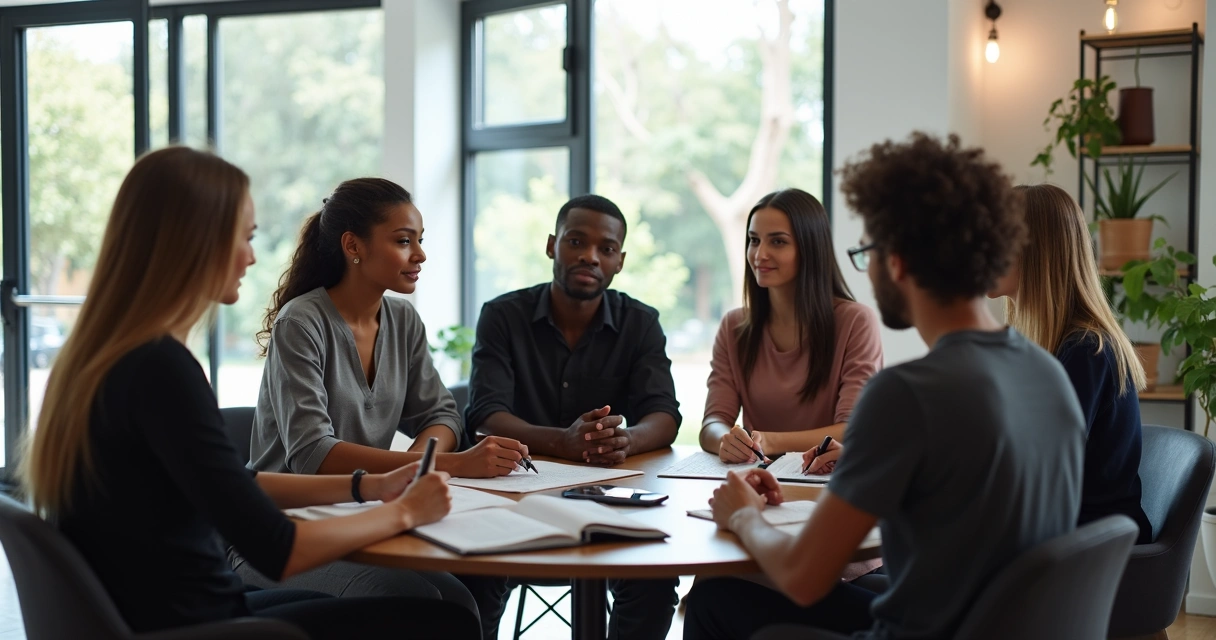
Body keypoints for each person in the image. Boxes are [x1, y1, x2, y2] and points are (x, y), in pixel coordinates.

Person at [18, 147, 478, 639]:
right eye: (245, 236)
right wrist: (404, 510)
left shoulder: (105, 357)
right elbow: (277, 547)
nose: (252, 256)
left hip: (170, 609)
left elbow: (237, 484)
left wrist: (368, 485)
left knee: (446, 599)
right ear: (195, 241)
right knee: (441, 619)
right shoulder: (161, 369)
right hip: (201, 624)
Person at [683, 132, 1087, 640]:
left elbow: (802, 577)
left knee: (718, 597)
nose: (866, 268)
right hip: (995, 623)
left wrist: (744, 518)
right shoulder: (1043, 370)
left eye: (866, 251)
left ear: (896, 260)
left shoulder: (908, 393)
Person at [242, 177, 524, 609]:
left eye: (420, 240)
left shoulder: (403, 320)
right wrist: (447, 464)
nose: (420, 254)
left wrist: (420, 465)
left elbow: (443, 415)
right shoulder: (301, 323)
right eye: (403, 241)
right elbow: (312, 454)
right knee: (417, 601)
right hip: (279, 534)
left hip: (363, 515)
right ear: (353, 246)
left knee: (468, 592)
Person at [465, 194, 682, 640]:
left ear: (619, 261)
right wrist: (561, 442)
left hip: (614, 499)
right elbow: (486, 415)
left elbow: (664, 414)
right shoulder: (502, 316)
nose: (590, 256)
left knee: (655, 582)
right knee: (474, 577)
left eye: (606, 248)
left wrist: (628, 440)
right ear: (552, 245)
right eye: (577, 241)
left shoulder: (640, 323)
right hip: (516, 497)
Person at [990, 183, 1153, 544]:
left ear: (1033, 251)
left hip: (1089, 555)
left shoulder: (1086, 352)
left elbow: (1038, 472)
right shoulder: (1035, 346)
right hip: (1057, 541)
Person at [700, 188, 882, 464]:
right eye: (753, 240)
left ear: (809, 248)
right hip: (755, 478)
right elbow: (713, 422)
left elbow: (853, 429)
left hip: (824, 482)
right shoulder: (734, 325)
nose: (759, 254)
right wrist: (727, 441)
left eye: (778, 242)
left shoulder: (856, 321)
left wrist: (769, 441)